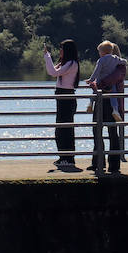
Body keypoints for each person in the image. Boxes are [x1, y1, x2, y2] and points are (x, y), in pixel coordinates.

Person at [84, 41, 124, 174]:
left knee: (98, 131)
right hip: (112, 100)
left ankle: (98, 162)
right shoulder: (119, 64)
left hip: (101, 100)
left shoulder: (103, 62)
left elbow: (97, 75)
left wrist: (93, 82)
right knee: (112, 132)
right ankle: (113, 164)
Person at [43, 39, 81, 170]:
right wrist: (48, 57)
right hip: (62, 97)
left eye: (62, 49)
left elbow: (53, 72)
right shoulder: (66, 63)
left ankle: (68, 158)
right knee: (60, 128)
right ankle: (63, 157)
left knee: (65, 129)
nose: (60, 51)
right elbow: (53, 71)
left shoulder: (71, 63)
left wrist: (47, 56)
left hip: (66, 98)